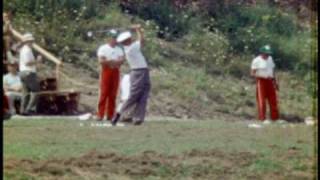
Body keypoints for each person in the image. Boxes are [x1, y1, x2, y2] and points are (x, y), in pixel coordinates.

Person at [112, 24, 151, 126]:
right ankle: (119, 114)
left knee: (143, 95)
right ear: (127, 41)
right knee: (133, 96)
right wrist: (138, 29)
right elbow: (142, 40)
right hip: (139, 72)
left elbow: (140, 41)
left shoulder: (130, 47)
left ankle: (138, 118)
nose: (131, 39)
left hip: (143, 71)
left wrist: (137, 29)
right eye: (129, 38)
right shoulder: (131, 48)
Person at [96, 29, 125, 121]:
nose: (114, 40)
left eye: (115, 38)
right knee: (104, 93)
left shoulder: (119, 49)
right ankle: (100, 114)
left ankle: (110, 115)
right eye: (112, 38)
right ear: (108, 38)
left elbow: (121, 61)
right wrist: (111, 61)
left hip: (115, 71)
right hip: (106, 71)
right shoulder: (103, 48)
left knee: (113, 94)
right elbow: (101, 61)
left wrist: (111, 62)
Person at [251, 45, 280, 124]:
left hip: (270, 81)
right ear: (262, 53)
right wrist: (259, 77)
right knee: (262, 100)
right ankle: (262, 118)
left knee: (273, 100)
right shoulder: (256, 60)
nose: (267, 55)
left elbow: (272, 70)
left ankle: (275, 118)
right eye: (266, 54)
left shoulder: (270, 59)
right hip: (261, 81)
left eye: (268, 54)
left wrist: (275, 82)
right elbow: (252, 73)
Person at [19, 33, 41, 115]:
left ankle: (23, 110)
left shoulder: (24, 49)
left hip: (23, 72)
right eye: (30, 41)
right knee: (36, 91)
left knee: (25, 93)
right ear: (26, 41)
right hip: (28, 72)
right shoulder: (27, 50)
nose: (31, 42)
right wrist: (37, 61)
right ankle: (29, 109)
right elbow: (27, 63)